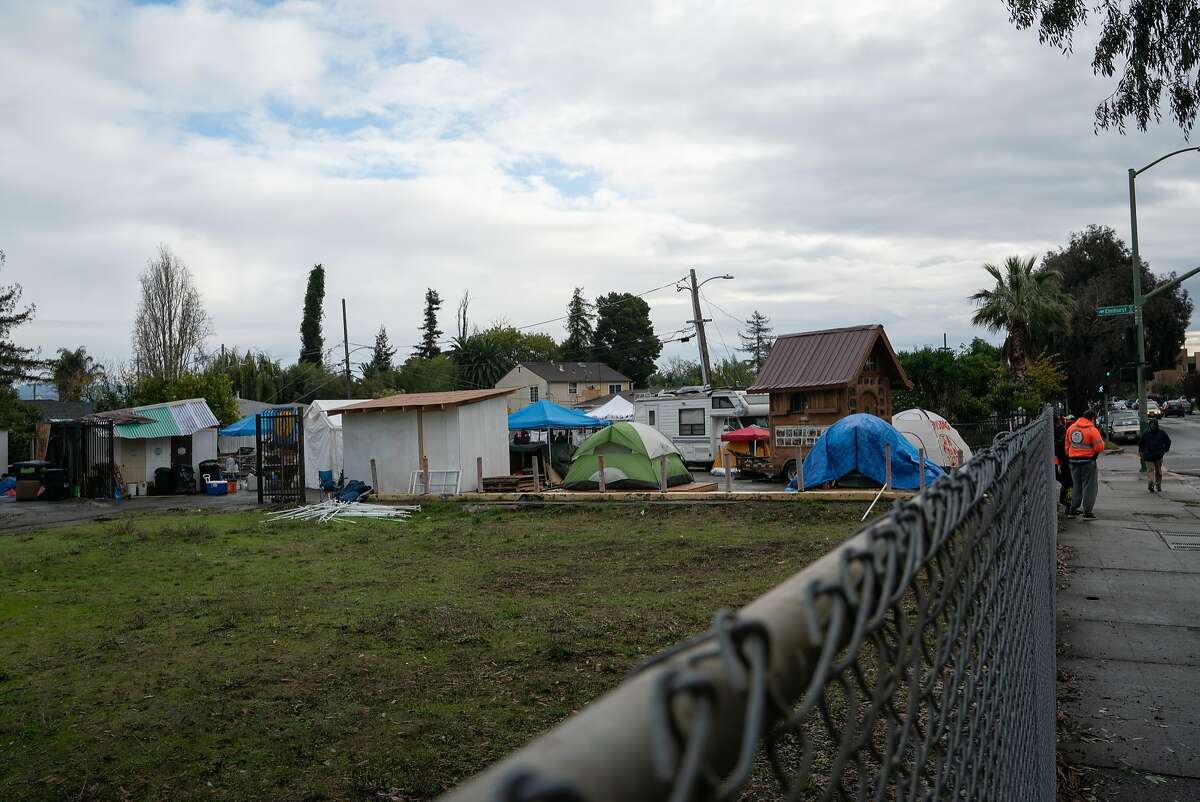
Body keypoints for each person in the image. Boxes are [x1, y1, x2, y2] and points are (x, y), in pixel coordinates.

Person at [1065, 409, 1105, 520]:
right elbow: (1099, 447)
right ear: (1092, 419)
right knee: (1089, 487)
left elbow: (1067, 446)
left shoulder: (1071, 429)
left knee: (1076, 485)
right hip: (1088, 461)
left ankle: (1072, 510)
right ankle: (1087, 512)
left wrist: (1072, 454)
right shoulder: (1092, 430)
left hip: (1073, 461)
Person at [1138, 417, 1172, 493]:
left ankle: (1158, 485)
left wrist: (1165, 449)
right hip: (1148, 455)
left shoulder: (1162, 433)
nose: (1153, 426)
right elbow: (1141, 443)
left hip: (1158, 455)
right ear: (1149, 425)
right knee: (1150, 470)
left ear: (1157, 425)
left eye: (1154, 424)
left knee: (1159, 472)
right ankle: (1151, 483)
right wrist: (1141, 452)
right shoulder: (1146, 433)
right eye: (1151, 424)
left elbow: (1168, 441)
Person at [1053, 415, 1073, 513]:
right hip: (1063, 462)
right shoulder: (1061, 431)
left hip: (1058, 461)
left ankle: (1067, 502)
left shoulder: (1052, 432)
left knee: (1066, 482)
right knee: (1069, 483)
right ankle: (1068, 504)